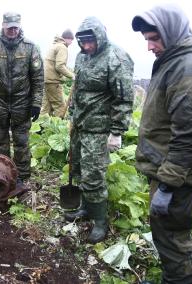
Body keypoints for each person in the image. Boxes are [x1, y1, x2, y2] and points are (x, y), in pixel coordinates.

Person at [132, 4, 192, 283]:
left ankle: (184, 280)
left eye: (154, 38)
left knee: (172, 236)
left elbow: (190, 133)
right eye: (146, 39)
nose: (149, 46)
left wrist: (167, 184)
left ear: (172, 32)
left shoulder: (191, 66)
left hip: (180, 174)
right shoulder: (178, 58)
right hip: (171, 169)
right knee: (166, 233)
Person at [64, 17, 134, 244]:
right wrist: (72, 113)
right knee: (79, 169)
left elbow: (124, 99)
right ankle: (85, 208)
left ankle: (100, 221)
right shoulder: (81, 56)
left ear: (100, 36)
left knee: (94, 175)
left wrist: (117, 132)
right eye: (82, 42)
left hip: (99, 128)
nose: (86, 46)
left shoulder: (117, 58)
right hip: (80, 124)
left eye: (90, 41)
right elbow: (78, 87)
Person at [0, 12, 44, 187]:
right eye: (9, 27)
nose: (13, 31)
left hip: (21, 102)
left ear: (20, 26)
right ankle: (3, 173)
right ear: (3, 25)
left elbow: (38, 79)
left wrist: (36, 103)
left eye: (16, 27)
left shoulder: (31, 48)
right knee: (0, 140)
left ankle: (21, 176)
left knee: (21, 141)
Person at [41, 29, 75, 118]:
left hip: (46, 80)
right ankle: (59, 128)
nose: (71, 43)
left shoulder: (55, 45)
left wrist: (67, 75)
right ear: (68, 39)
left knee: (46, 108)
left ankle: (40, 129)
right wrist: (73, 76)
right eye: (71, 40)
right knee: (60, 107)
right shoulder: (62, 47)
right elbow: (59, 66)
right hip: (53, 82)